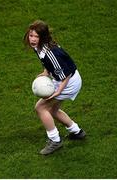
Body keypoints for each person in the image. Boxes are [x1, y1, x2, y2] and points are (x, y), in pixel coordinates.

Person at [24, 20, 86, 155]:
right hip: (65, 79)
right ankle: (77, 132)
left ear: (43, 37)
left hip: (69, 82)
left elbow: (66, 74)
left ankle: (55, 140)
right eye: (31, 36)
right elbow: (46, 62)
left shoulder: (51, 53)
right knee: (53, 110)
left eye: (36, 37)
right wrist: (46, 72)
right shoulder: (39, 47)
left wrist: (59, 90)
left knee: (40, 108)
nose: (33, 39)